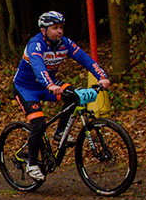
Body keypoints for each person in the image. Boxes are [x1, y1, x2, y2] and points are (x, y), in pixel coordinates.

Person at [13, 11, 111, 181]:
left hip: (48, 85)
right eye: (54, 28)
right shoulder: (36, 45)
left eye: (60, 27)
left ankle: (59, 132)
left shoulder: (64, 43)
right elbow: (38, 66)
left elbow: (85, 59)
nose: (59, 31)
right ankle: (32, 164)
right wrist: (50, 84)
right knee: (38, 123)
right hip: (26, 88)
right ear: (44, 30)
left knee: (74, 96)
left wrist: (101, 76)